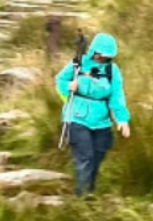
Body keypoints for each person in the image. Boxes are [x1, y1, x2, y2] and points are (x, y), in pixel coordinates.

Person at [55, 33, 131, 196]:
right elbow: (60, 81)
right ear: (94, 51)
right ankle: (81, 197)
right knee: (85, 156)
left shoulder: (113, 70)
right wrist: (69, 86)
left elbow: (117, 96)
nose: (102, 59)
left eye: (107, 56)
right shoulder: (78, 64)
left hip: (101, 121)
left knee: (97, 157)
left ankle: (89, 191)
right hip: (76, 117)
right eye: (101, 55)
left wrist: (122, 120)